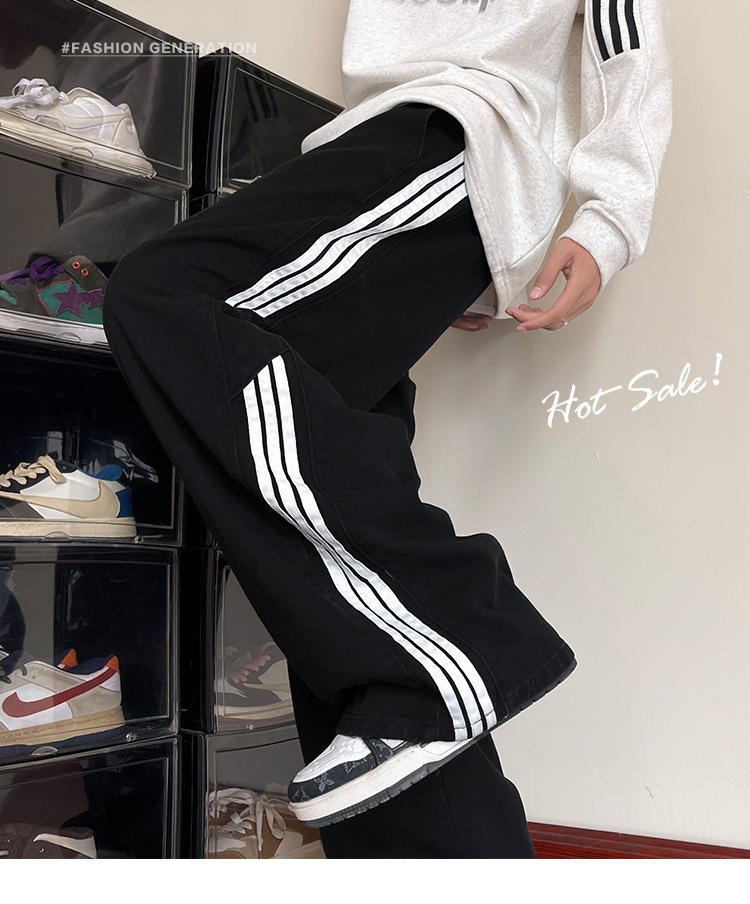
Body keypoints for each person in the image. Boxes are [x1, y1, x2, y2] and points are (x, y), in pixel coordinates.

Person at [103, 0, 673, 858]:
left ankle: (461, 634)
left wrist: (609, 217)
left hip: (451, 137)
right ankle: (442, 780)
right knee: (334, 600)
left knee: (165, 296)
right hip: (394, 160)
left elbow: (623, 32)